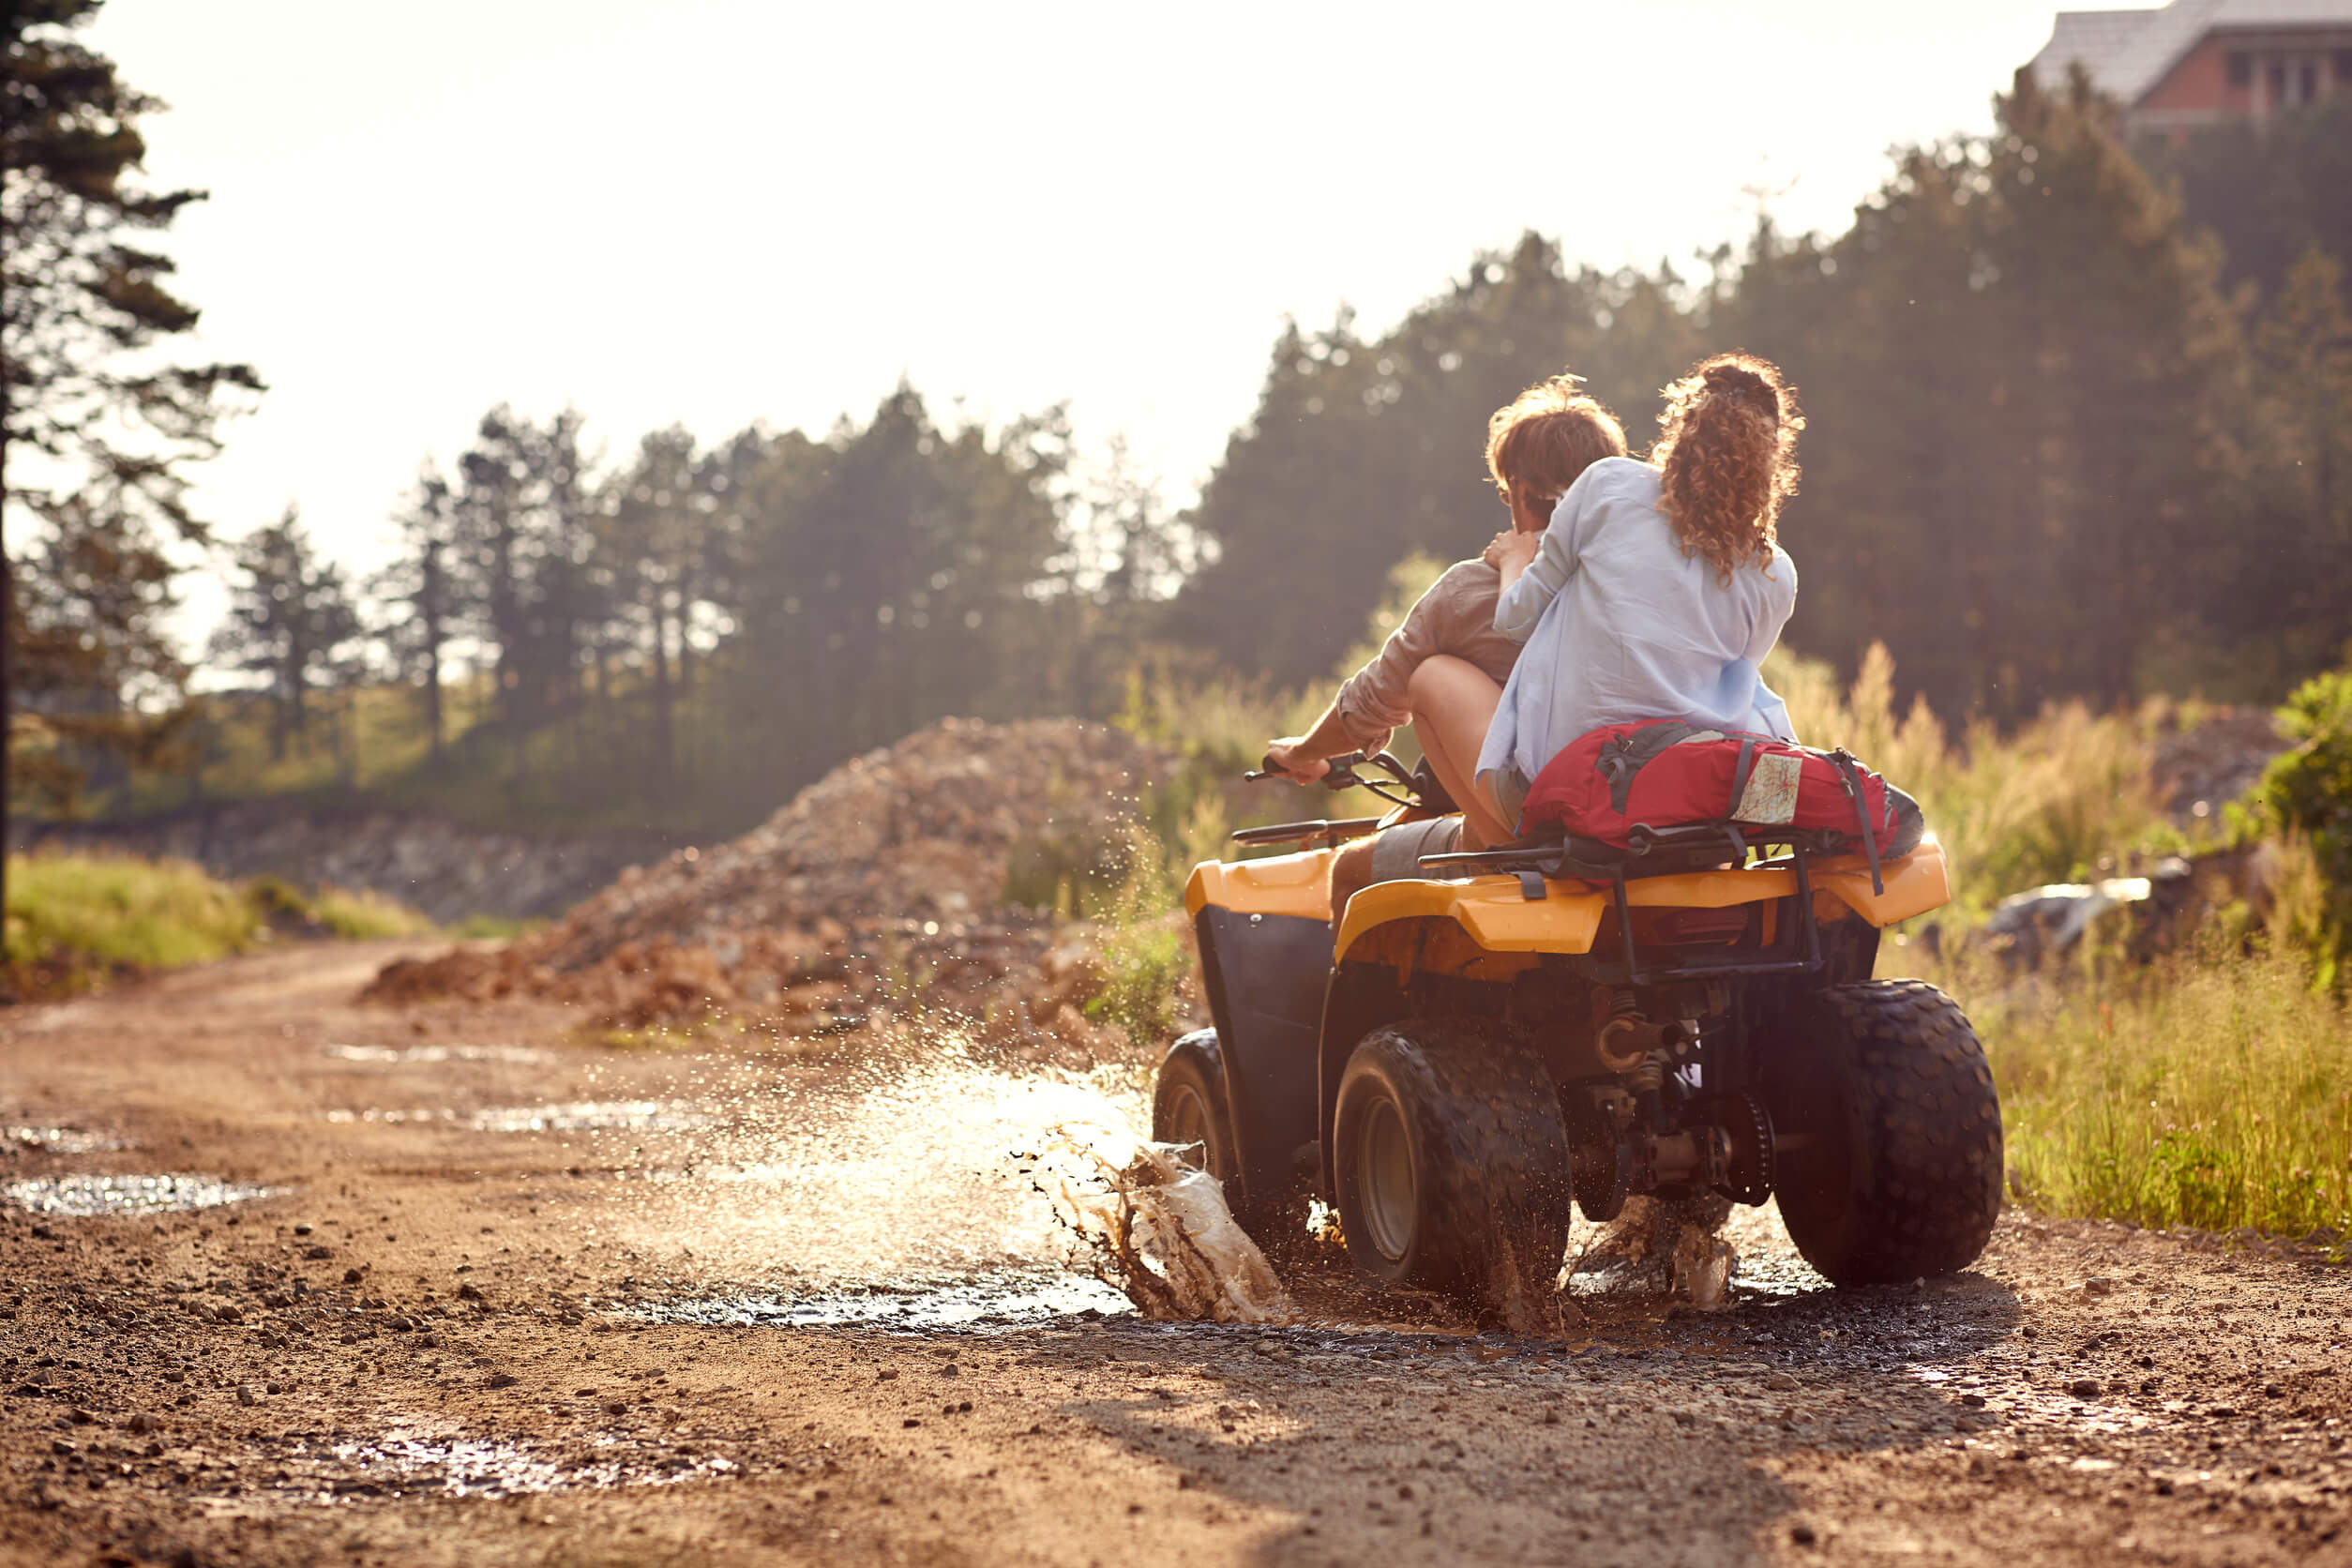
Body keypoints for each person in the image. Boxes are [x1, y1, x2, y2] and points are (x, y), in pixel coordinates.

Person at [1261, 376, 1627, 916]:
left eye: (1508, 494)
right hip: (1639, 816)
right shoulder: (1645, 588)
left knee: (1350, 873)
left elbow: (1369, 702)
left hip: (1545, 829)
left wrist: (1303, 753)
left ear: (1523, 493)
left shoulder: (1469, 594)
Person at [1475, 352, 1803, 829]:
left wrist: (1513, 560)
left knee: (1433, 677)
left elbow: (1515, 621)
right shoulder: (1776, 572)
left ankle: (1501, 849)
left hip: (1567, 785)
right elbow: (1738, 676)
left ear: (1681, 425)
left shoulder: (1609, 486)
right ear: (1772, 458)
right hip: (1692, 800)